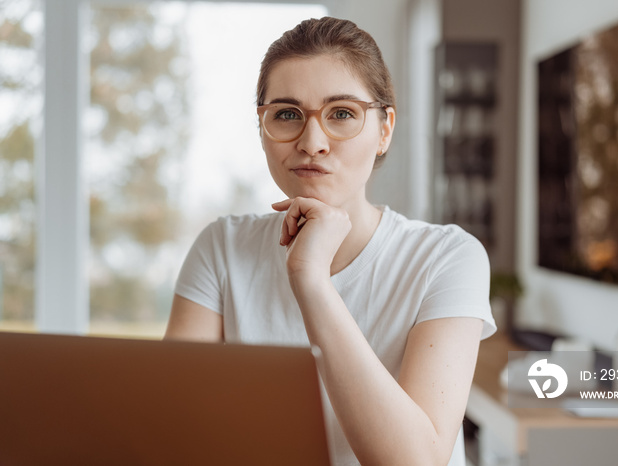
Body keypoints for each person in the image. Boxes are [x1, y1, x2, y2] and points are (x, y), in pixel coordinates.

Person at [165, 16, 496, 466]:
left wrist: (311, 279)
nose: (312, 141)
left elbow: (417, 461)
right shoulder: (222, 248)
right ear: (262, 129)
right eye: (286, 114)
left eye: (341, 114)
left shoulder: (448, 258)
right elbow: (169, 425)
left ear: (384, 130)